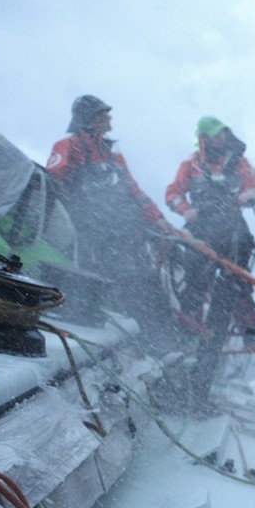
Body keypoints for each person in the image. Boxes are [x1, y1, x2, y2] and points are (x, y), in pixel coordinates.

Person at [46, 95, 178, 352]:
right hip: (93, 233)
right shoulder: (69, 146)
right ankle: (149, 344)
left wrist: (159, 220)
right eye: (105, 113)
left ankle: (161, 342)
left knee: (148, 281)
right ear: (94, 118)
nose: (110, 118)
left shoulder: (113, 156)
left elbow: (135, 191)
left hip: (127, 231)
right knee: (129, 281)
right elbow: (52, 184)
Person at [165, 116, 255, 334]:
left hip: (233, 226)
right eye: (215, 134)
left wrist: (249, 194)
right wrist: (185, 210)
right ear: (203, 138)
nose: (220, 137)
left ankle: (250, 336)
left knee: (240, 281)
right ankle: (191, 332)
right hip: (201, 226)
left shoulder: (240, 162)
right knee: (195, 281)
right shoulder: (189, 165)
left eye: (223, 133)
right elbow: (172, 193)